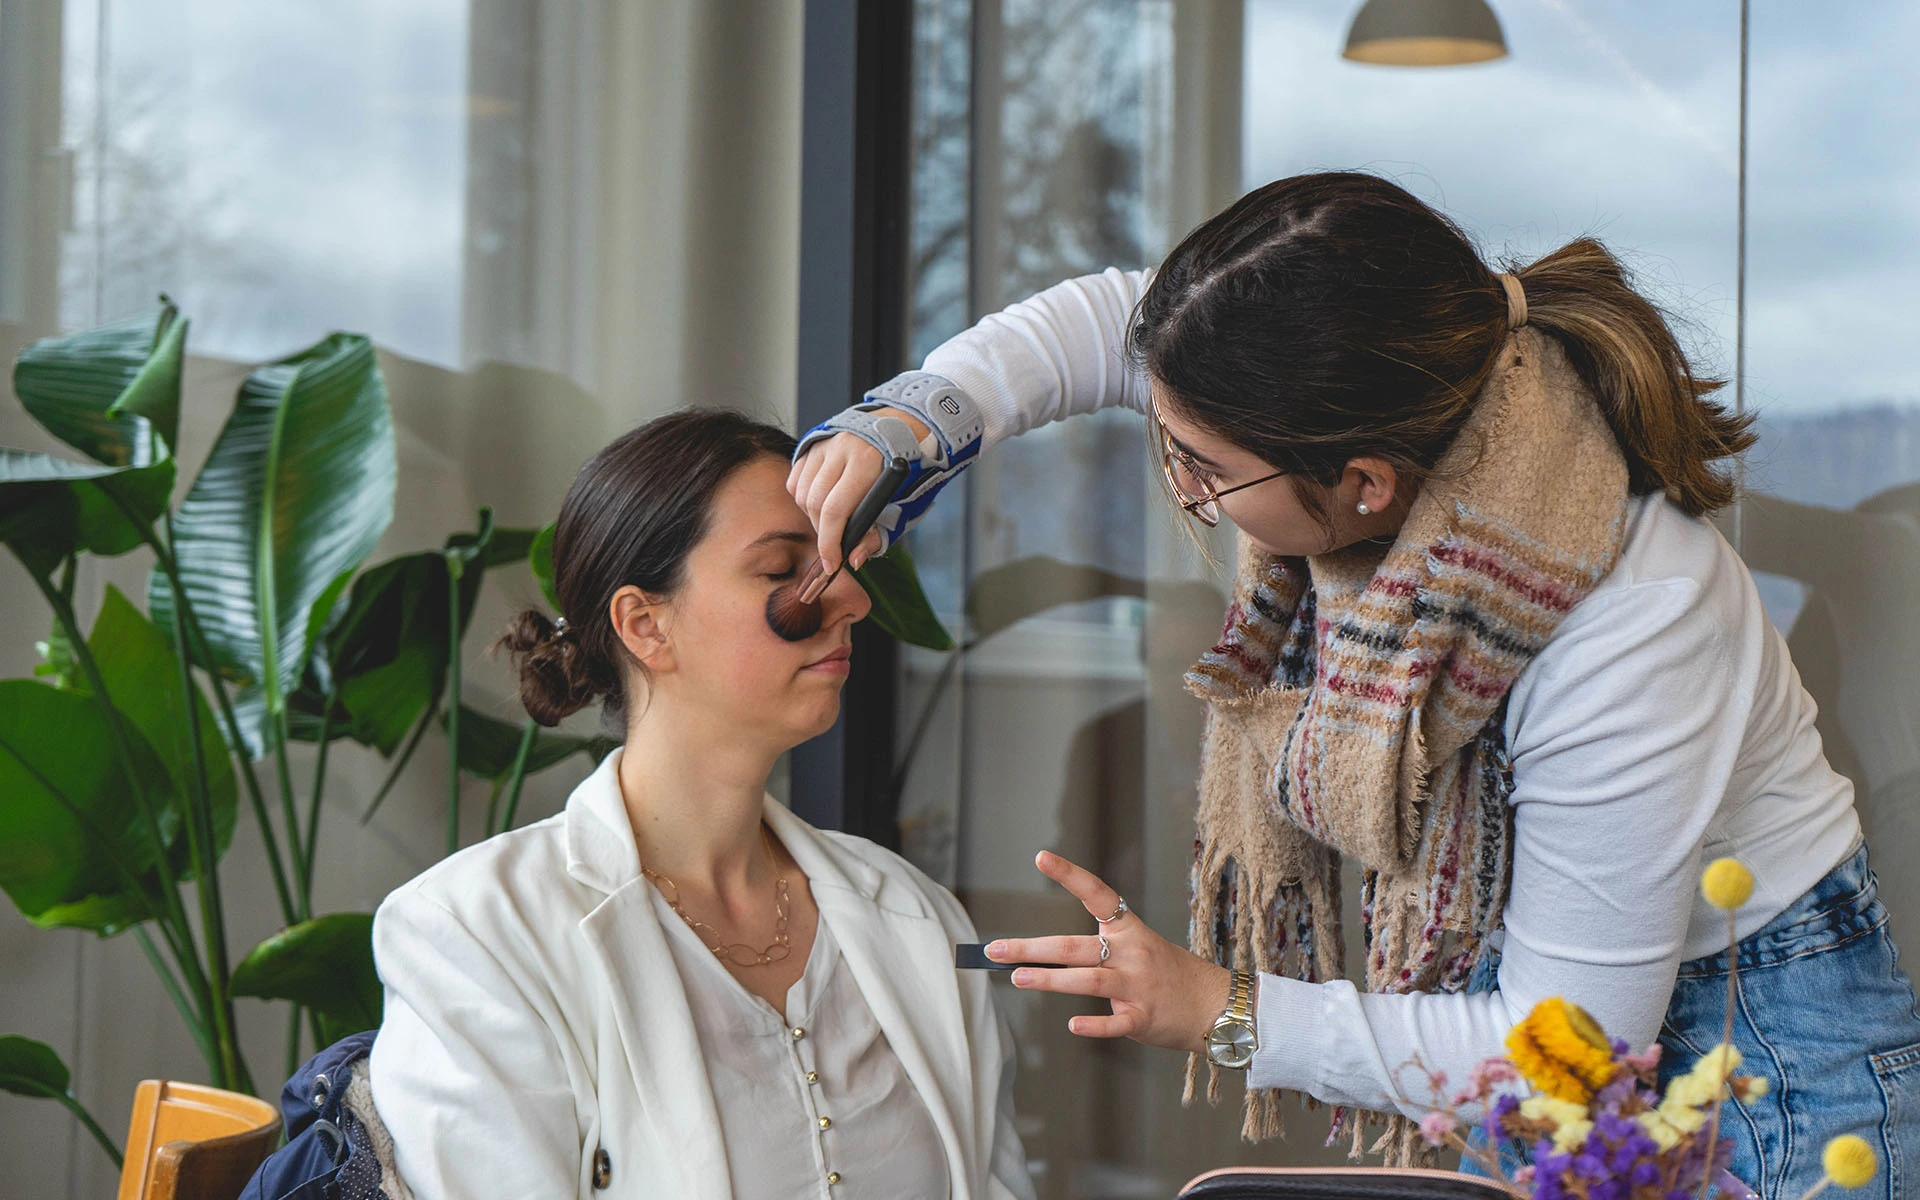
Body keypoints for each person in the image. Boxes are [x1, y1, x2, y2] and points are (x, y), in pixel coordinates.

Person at [788, 172, 1919, 1194]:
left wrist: (1221, 1009)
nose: (1183, 482)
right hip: (1550, 1053)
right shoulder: (1396, 405)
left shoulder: (1627, 631)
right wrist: (918, 418)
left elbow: (1563, 1047)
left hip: (1766, 1092)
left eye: (1205, 470)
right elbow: (1113, 327)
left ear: (1367, 486)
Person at [368, 410, 1033, 1199]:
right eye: (784, 567)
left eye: (839, 562)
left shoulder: (920, 921)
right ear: (646, 625)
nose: (849, 596)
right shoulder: (478, 934)